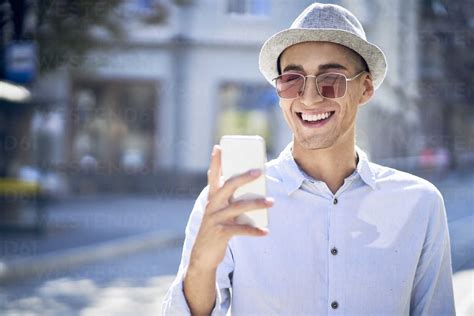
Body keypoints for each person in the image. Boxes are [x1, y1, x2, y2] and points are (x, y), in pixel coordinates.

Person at [162, 3, 455, 315]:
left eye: (331, 78)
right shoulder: (230, 202)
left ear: (365, 87)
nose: (310, 97)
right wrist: (201, 265)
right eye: (292, 80)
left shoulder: (420, 204)